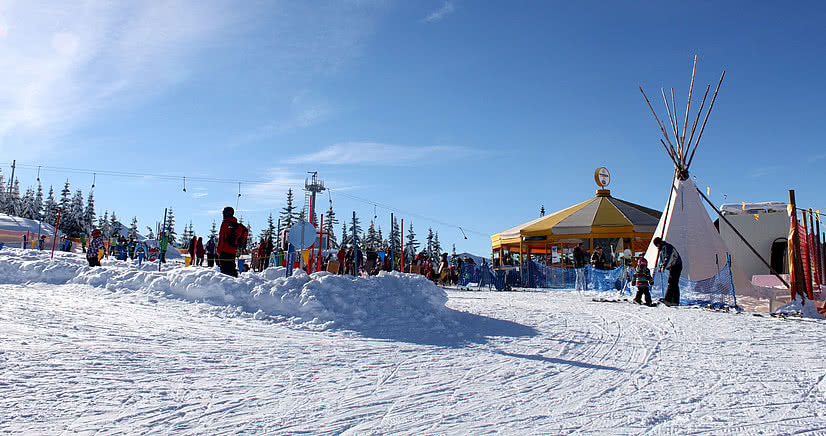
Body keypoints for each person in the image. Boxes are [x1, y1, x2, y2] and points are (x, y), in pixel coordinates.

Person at [217, 207, 248, 278]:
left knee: (225, 271)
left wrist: (218, 250)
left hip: (224, 250)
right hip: (233, 250)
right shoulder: (235, 224)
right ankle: (234, 284)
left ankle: (227, 286)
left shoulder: (225, 223)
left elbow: (222, 238)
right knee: (231, 268)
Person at [653, 237, 682, 306]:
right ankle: (675, 301)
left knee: (671, 282)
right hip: (673, 266)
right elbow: (663, 260)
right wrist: (661, 265)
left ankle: (668, 300)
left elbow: (668, 258)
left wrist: (664, 266)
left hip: (676, 265)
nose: (657, 247)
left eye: (657, 245)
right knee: (674, 283)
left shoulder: (667, 247)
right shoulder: (662, 249)